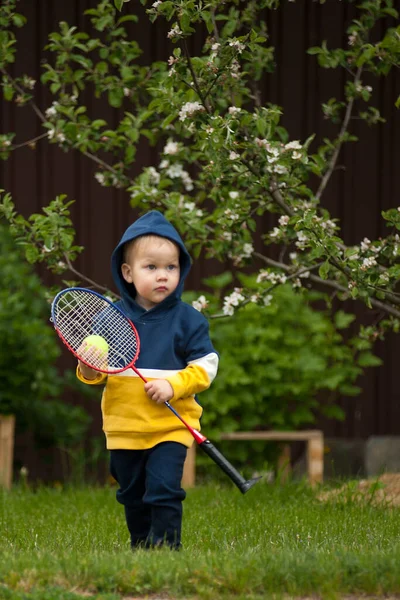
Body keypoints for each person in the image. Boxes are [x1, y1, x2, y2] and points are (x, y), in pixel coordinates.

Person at [76, 210, 219, 550]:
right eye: (151, 267)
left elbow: (207, 365)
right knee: (132, 495)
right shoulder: (110, 318)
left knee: (164, 488)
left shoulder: (188, 320)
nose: (162, 276)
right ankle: (141, 546)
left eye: (171, 267)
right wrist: (92, 369)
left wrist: (175, 385)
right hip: (124, 426)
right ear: (127, 272)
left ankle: (167, 548)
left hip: (171, 424)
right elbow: (95, 375)